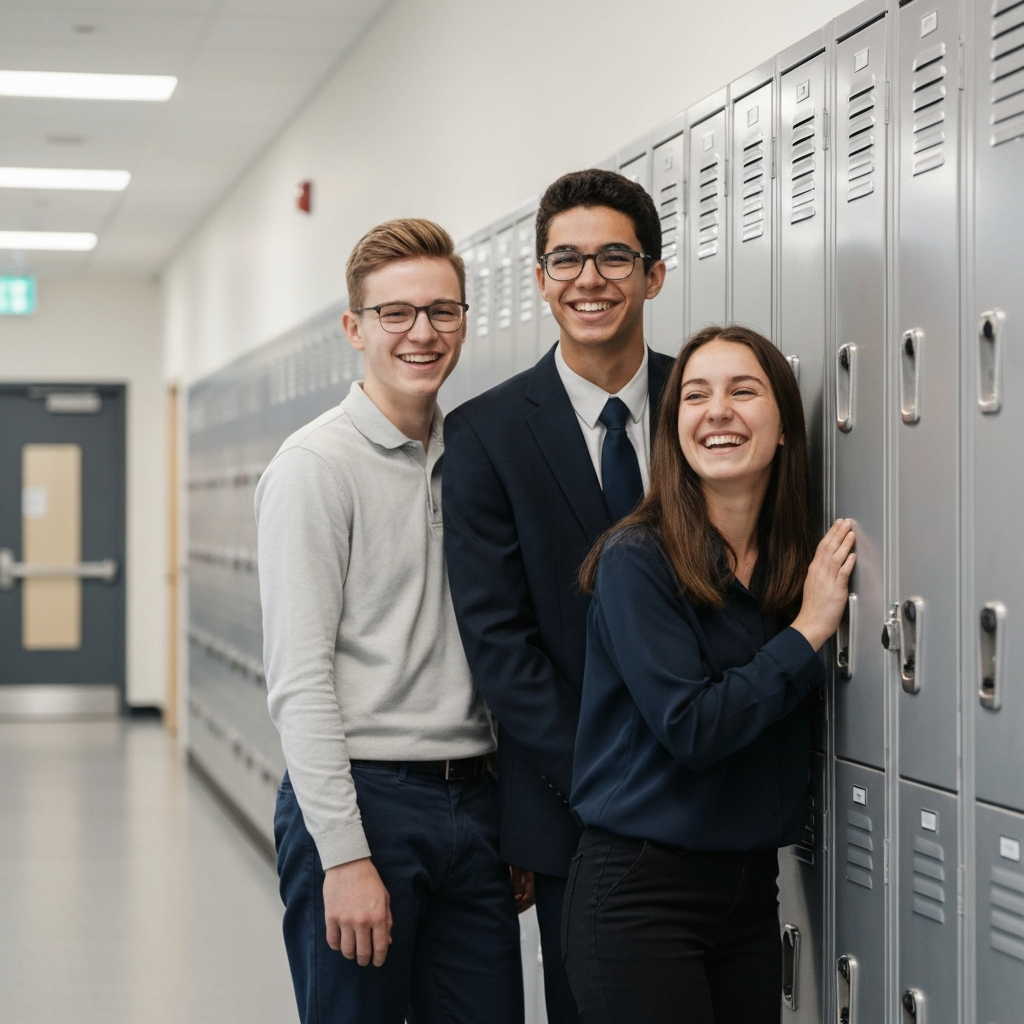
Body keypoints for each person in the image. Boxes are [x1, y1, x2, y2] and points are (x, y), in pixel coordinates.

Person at [255, 218, 524, 1024]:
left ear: (467, 323)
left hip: (473, 803)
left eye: (442, 311)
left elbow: (499, 641)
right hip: (363, 801)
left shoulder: (475, 453)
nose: (422, 333)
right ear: (355, 328)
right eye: (395, 313)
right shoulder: (314, 468)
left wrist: (513, 811)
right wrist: (344, 855)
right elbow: (299, 681)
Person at [562, 324, 855, 1024]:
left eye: (743, 391)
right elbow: (692, 727)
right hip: (641, 895)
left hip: (750, 893)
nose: (717, 410)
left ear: (784, 425)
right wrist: (809, 630)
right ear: (675, 429)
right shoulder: (638, 559)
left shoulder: (792, 565)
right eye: (696, 395)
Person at [443, 168, 672, 1024]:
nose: (590, 279)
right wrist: (604, 780)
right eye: (566, 260)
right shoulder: (486, 434)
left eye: (615, 256)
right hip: (578, 810)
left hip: (710, 796)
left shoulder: (704, 403)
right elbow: (500, 645)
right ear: (540, 279)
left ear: (654, 273)